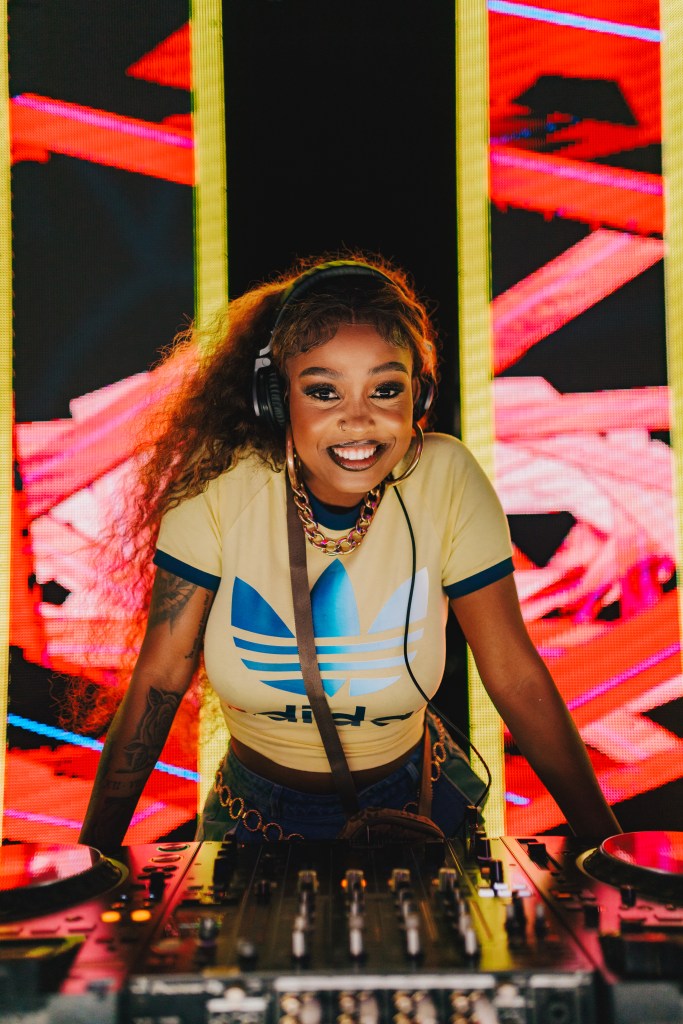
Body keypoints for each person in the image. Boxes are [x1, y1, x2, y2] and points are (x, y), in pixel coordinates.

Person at [78, 255, 621, 849]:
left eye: (385, 390)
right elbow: (160, 677)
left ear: (419, 396)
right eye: (323, 392)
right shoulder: (220, 484)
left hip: (418, 808)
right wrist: (96, 857)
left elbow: (514, 675)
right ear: (276, 398)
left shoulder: (446, 478)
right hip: (251, 818)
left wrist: (607, 848)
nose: (358, 420)